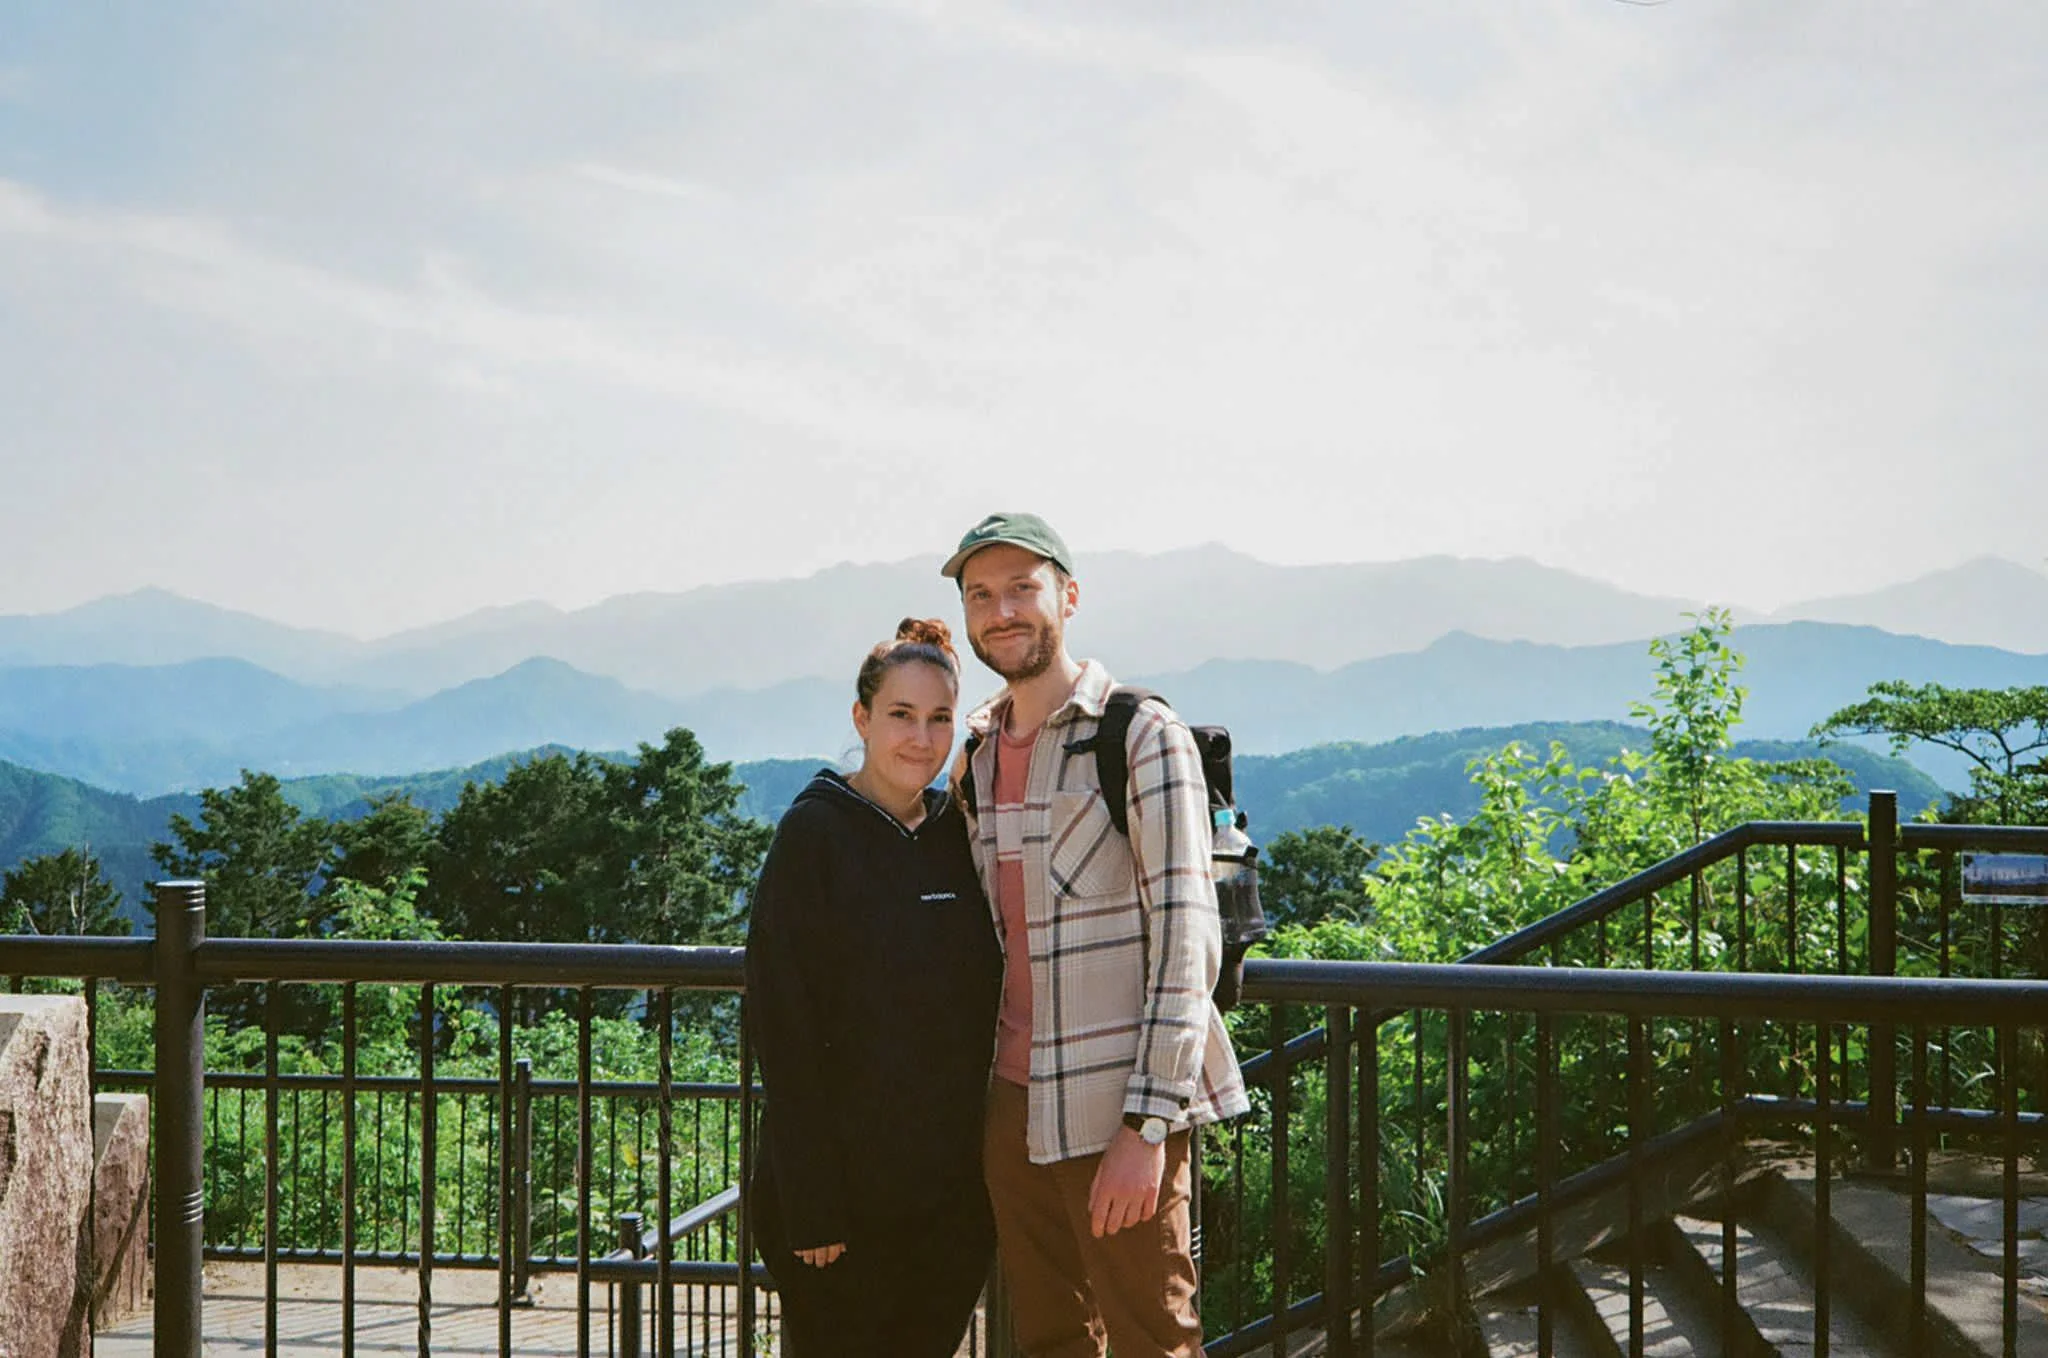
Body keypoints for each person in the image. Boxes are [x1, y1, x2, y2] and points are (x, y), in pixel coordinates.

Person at [943, 512, 1250, 1358]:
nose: (1001, 610)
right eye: (981, 595)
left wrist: (1147, 1128)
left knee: (1155, 1339)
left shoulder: (1140, 735)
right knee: (1047, 1341)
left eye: (1021, 588)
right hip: (1011, 1107)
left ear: (1068, 597)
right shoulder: (974, 752)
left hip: (1117, 1108)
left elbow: (1189, 944)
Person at [744, 618, 1003, 1358]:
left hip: (950, 1202)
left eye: (940, 719)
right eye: (900, 715)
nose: (921, 739)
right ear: (860, 718)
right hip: (841, 1208)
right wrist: (813, 1204)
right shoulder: (814, 837)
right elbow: (783, 1027)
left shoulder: (960, 835)